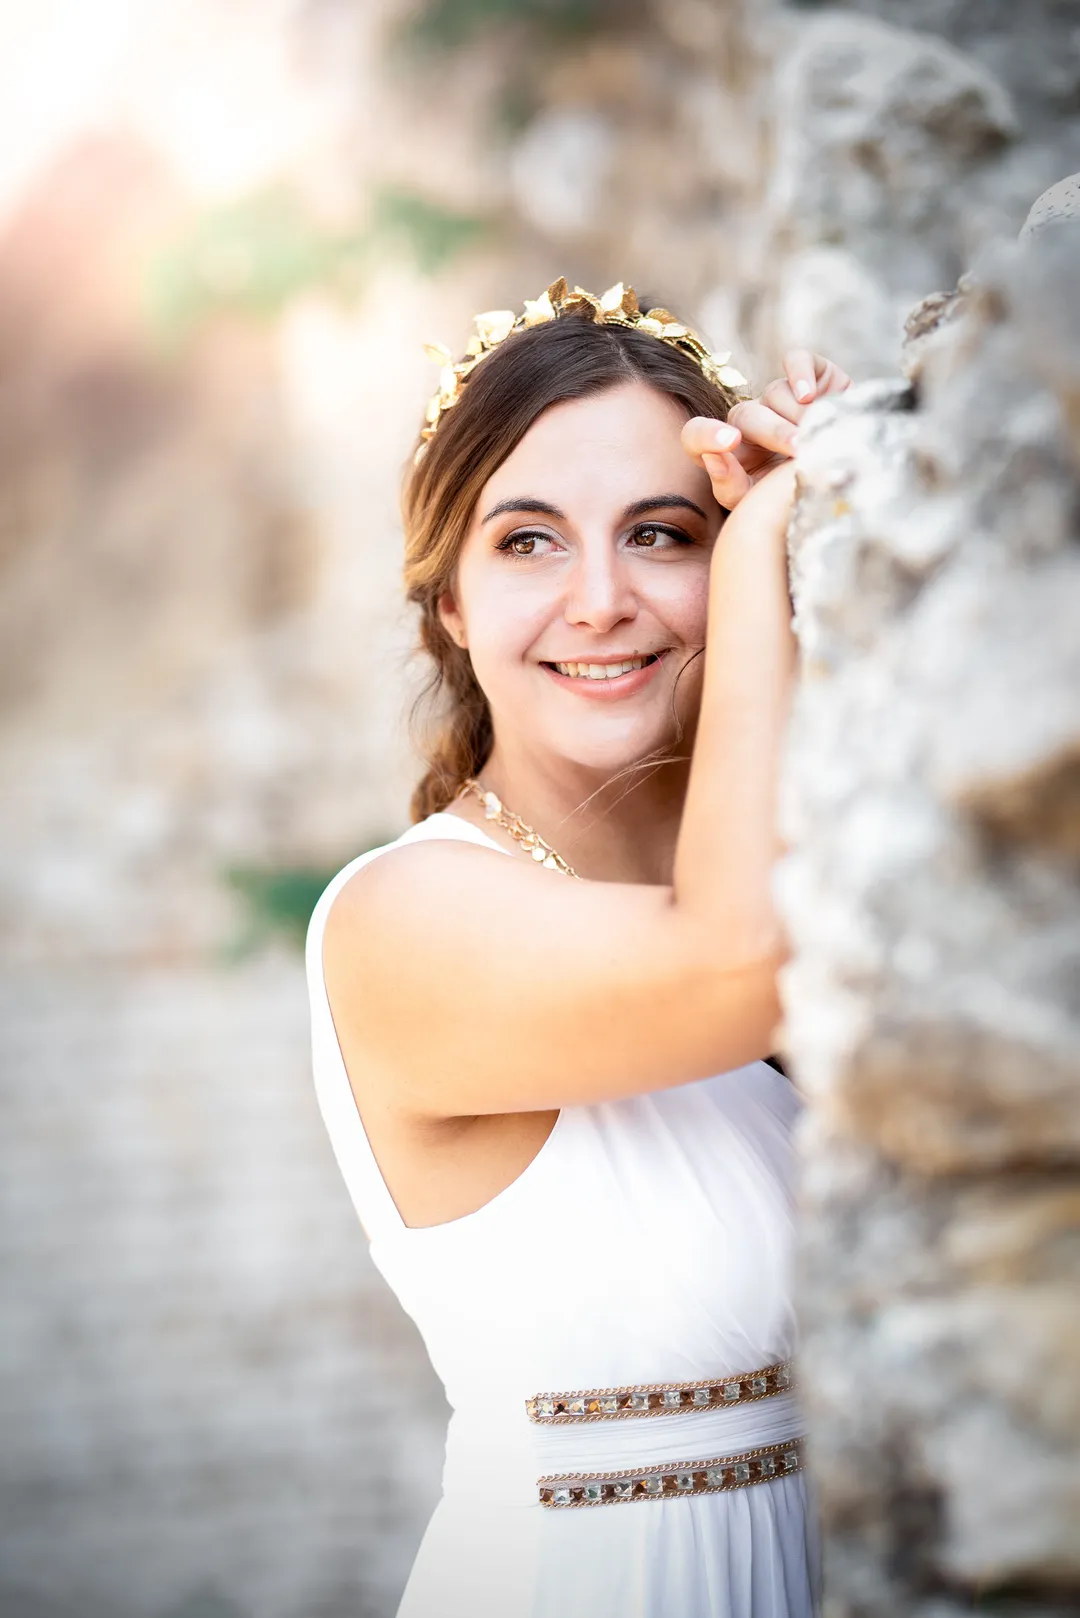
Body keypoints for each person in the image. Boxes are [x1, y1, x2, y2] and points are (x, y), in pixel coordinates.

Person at [305, 277, 850, 1618]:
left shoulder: (804, 852)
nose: (600, 600)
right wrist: (768, 513)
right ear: (450, 604)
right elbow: (734, 962)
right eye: (530, 543)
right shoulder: (403, 918)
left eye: (661, 534)